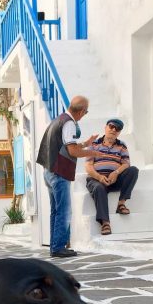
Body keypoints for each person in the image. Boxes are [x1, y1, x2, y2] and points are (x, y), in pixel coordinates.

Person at [37, 96, 98, 257]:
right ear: (81, 111)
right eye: (86, 112)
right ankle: (58, 248)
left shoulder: (59, 120)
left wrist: (86, 143)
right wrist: (94, 152)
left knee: (55, 211)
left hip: (49, 171)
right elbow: (72, 151)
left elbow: (66, 144)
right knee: (64, 211)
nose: (84, 115)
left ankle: (55, 246)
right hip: (59, 172)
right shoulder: (69, 123)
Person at [85, 118, 139, 236]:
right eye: (111, 126)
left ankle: (121, 204)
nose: (114, 129)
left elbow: (126, 164)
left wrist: (116, 173)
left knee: (133, 170)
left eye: (117, 128)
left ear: (119, 132)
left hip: (114, 179)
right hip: (96, 179)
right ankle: (105, 223)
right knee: (99, 187)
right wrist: (99, 177)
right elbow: (88, 166)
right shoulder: (94, 144)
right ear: (105, 127)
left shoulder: (122, 145)